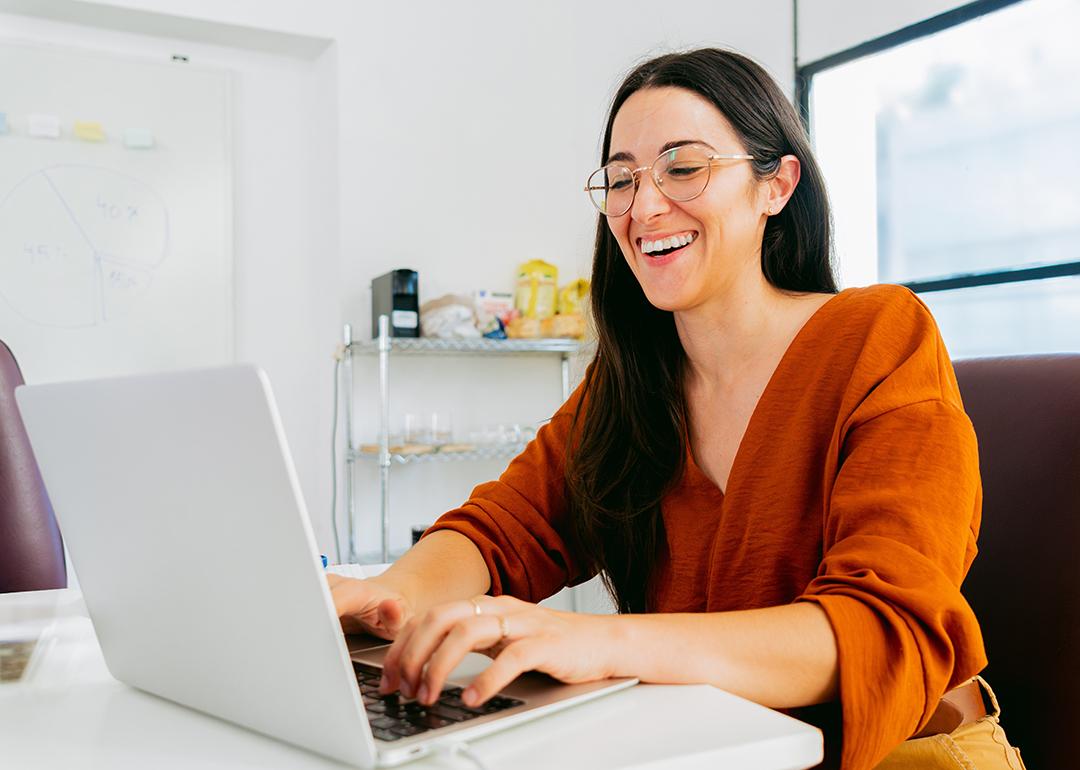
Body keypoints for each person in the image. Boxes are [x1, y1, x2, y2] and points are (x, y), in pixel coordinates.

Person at [328, 48, 1026, 769]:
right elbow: (504, 530)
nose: (645, 206)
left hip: (909, 754)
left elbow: (881, 628)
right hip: (717, 748)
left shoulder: (879, 337)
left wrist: (598, 643)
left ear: (776, 186)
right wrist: (386, 598)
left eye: (683, 168)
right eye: (622, 179)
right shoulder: (630, 381)